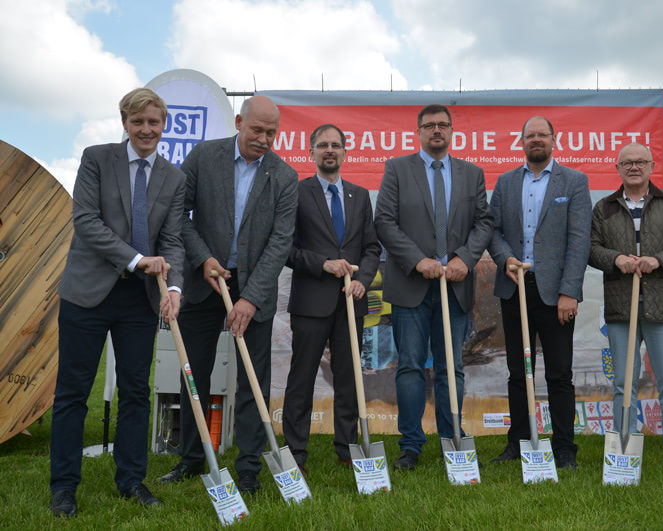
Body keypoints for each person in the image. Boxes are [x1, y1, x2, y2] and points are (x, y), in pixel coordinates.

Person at [50, 88, 185, 517]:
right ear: (124, 123)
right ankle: (64, 486)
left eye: (154, 122)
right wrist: (136, 259)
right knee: (72, 393)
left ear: (164, 125)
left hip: (140, 300)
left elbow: (173, 240)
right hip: (88, 292)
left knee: (135, 393)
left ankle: (131, 480)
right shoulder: (96, 158)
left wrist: (176, 288)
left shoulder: (174, 177)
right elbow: (85, 221)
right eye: (138, 122)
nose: (146, 130)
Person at [158, 95, 298, 494]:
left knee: (253, 381)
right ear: (239, 122)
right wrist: (202, 258)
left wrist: (250, 298)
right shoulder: (204, 156)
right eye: (257, 130)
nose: (265, 139)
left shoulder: (284, 177)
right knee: (193, 375)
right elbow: (177, 215)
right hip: (205, 283)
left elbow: (280, 242)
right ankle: (191, 458)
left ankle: (249, 467)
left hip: (253, 290)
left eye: (272, 132)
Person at [374, 104, 493, 470]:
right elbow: (385, 222)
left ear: (452, 130)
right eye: (430, 125)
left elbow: (483, 223)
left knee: (450, 367)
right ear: (419, 131)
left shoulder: (471, 174)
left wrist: (463, 258)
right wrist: (417, 260)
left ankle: (452, 440)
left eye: (443, 124)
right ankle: (410, 446)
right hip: (411, 284)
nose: (437, 130)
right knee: (409, 366)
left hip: (455, 286)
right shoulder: (397, 168)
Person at [589, 142, 663, 476]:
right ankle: (624, 447)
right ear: (618, 168)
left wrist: (660, 260)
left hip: (662, 306)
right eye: (627, 162)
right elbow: (592, 250)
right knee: (624, 383)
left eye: (640, 161)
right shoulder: (604, 208)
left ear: (652, 166)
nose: (634, 167)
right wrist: (616, 259)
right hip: (621, 307)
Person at [488, 116, 591, 470]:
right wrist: (505, 260)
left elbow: (579, 240)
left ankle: (564, 449)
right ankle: (517, 444)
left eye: (542, 135)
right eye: (529, 135)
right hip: (515, 288)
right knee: (518, 372)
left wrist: (570, 292)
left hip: (555, 293)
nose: (536, 140)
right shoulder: (504, 183)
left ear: (553, 140)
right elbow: (494, 230)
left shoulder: (575, 182)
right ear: (521, 142)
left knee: (559, 374)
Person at [282, 124, 381, 475]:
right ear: (311, 152)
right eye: (323, 145)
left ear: (344, 152)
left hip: (350, 303)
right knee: (302, 378)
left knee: (349, 378)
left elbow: (371, 247)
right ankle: (295, 454)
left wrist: (363, 281)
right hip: (311, 302)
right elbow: (286, 249)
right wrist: (322, 264)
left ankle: (347, 449)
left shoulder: (359, 195)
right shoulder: (296, 193)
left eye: (336, 145)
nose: (330, 150)